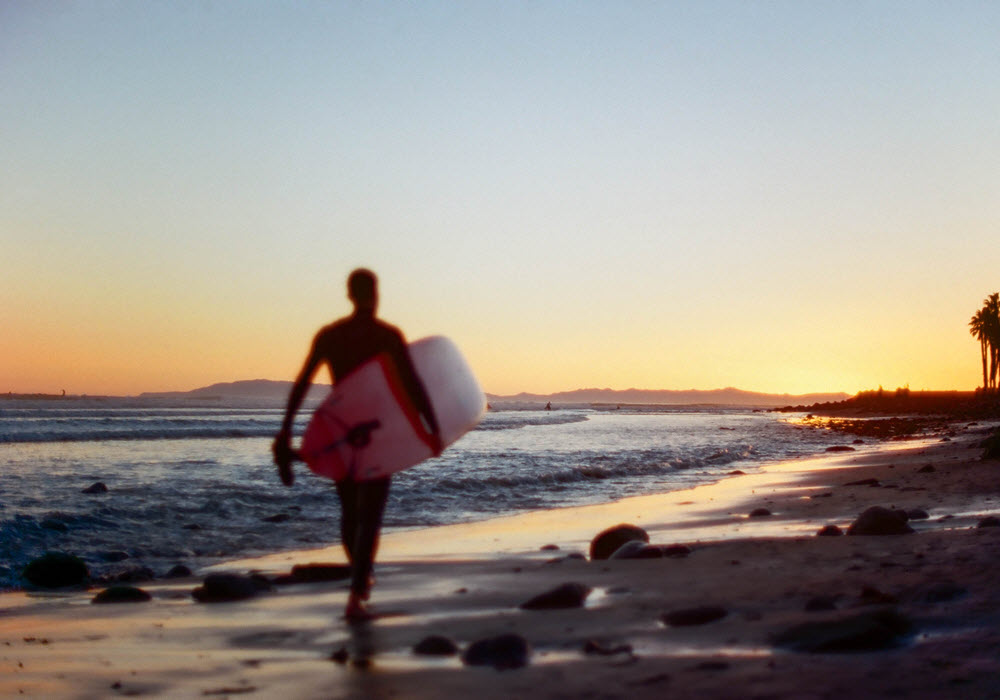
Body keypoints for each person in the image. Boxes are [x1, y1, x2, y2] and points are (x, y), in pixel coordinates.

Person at [272, 268, 442, 621]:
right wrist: (434, 429)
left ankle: (360, 579)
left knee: (350, 510)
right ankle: (357, 588)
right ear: (374, 294)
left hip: (342, 431)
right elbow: (412, 386)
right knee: (371, 514)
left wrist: (286, 431)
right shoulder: (387, 335)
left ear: (350, 294)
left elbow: (302, 384)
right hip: (375, 432)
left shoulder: (331, 336)